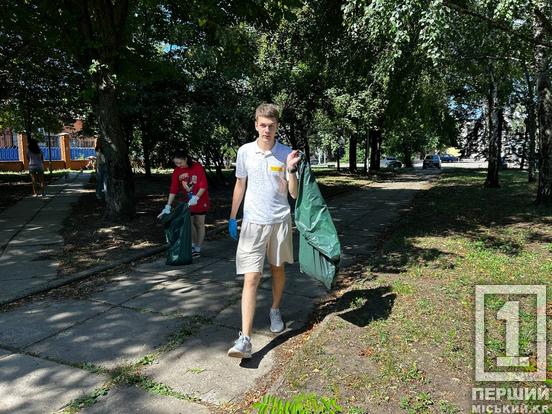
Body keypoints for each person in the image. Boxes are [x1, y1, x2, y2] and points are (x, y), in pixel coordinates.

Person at [227, 103, 300, 359]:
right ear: (256, 124)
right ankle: (245, 340)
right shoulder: (245, 152)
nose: (266, 130)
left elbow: (293, 193)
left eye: (271, 125)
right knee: (251, 278)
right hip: (252, 223)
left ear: (277, 125)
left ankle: (275, 308)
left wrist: (290, 168)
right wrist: (232, 216)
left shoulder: (286, 153)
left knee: (277, 269)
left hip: (279, 221)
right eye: (262, 125)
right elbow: (240, 184)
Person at [158, 149, 210, 257]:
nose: (178, 165)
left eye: (180, 162)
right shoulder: (177, 171)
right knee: (189, 224)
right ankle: (193, 246)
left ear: (186, 159)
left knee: (199, 224)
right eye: (176, 163)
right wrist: (168, 205)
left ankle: (198, 248)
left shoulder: (197, 167)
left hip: (200, 200)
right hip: (188, 202)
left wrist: (196, 197)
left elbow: (203, 185)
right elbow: (173, 189)